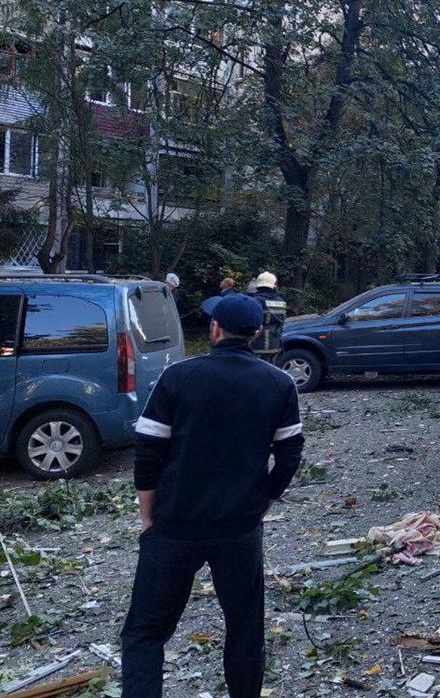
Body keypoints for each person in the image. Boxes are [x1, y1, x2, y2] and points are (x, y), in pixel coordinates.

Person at [120, 294, 304, 698]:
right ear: (257, 334)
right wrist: (264, 499)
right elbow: (290, 454)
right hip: (238, 530)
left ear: (215, 330)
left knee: (144, 634)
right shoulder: (279, 383)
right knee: (244, 629)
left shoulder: (178, 377)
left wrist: (147, 517)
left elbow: (148, 452)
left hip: (174, 527)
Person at [249, 271, 287, 364]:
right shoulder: (281, 301)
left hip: (257, 344)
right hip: (275, 343)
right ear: (274, 285)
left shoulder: (255, 301)